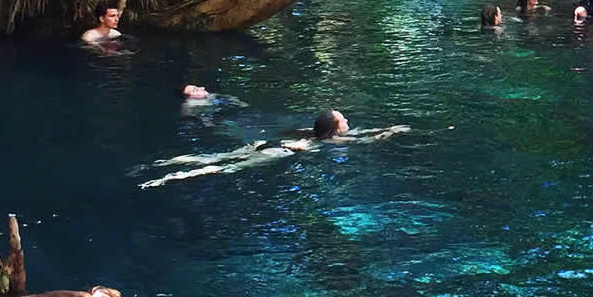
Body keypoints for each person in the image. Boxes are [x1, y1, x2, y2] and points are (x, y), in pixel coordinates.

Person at [140, 109, 409, 188]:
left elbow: (363, 135)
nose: (348, 121)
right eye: (343, 120)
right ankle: (169, 177)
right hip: (280, 152)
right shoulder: (333, 142)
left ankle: (165, 163)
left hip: (268, 145)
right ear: (336, 128)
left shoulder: (312, 132)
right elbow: (366, 141)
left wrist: (386, 128)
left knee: (215, 157)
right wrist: (394, 132)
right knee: (224, 168)